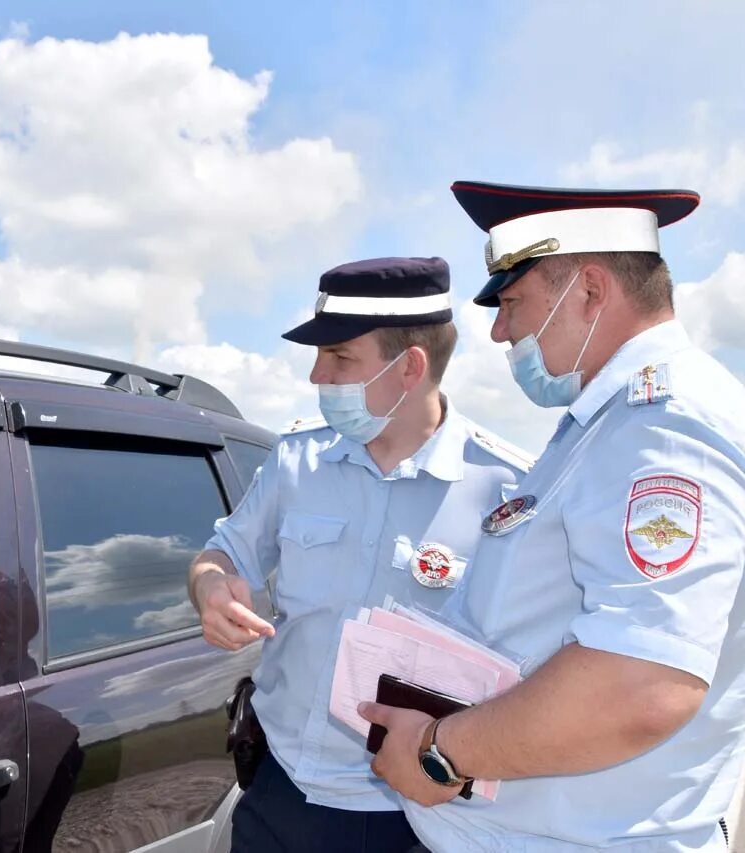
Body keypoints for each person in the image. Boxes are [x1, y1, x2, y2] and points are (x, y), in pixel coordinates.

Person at [359, 181, 745, 851]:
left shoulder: (667, 427)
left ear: (589, 290)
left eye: (513, 302)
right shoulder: (604, 424)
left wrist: (440, 750)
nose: (499, 329)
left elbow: (642, 685)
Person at [188, 257, 533, 853]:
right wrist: (212, 589)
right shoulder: (297, 461)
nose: (318, 375)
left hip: (410, 816)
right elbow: (220, 554)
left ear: (410, 367)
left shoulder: (506, 491)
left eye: (340, 357)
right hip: (277, 787)